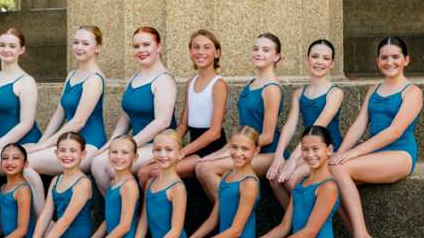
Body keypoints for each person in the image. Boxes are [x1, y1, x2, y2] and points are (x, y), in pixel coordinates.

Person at [330, 36, 422, 238]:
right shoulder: (374, 90)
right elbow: (359, 126)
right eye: (384, 57)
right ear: (377, 61)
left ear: (406, 60)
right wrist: (340, 153)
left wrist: (352, 155)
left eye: (395, 57)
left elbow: (395, 131)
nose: (389, 62)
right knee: (328, 176)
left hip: (400, 155)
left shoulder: (412, 92)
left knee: (339, 168)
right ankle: (361, 237)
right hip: (375, 155)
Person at [195, 34, 284, 202]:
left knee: (207, 169)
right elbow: (243, 131)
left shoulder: (272, 88)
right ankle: (228, 217)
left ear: (276, 56)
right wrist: (221, 152)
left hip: (266, 153)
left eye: (266, 50)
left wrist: (229, 152)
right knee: (201, 166)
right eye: (256, 49)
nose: (259, 53)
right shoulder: (253, 83)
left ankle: (235, 221)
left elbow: (267, 136)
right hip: (244, 147)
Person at [91, 27, 178, 194]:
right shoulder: (134, 78)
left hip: (159, 146)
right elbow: (127, 116)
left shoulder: (164, 80)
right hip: (138, 144)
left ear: (158, 47)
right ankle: (117, 213)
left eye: (146, 45)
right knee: (97, 163)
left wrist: (129, 145)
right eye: (136, 46)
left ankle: (131, 216)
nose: (141, 50)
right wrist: (113, 142)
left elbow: (163, 122)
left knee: (114, 166)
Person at [138, 29, 228, 187]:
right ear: (191, 52)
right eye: (196, 47)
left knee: (157, 172)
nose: (201, 52)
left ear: (217, 53)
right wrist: (164, 149)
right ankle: (145, 213)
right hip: (193, 145)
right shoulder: (190, 83)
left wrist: (183, 152)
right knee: (144, 171)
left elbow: (215, 132)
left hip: (211, 149)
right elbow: (183, 125)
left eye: (207, 47)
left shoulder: (219, 84)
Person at [267, 39, 343, 207]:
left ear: (332, 63)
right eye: (315, 57)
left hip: (328, 149)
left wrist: (293, 159)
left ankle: (310, 223)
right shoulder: (299, 94)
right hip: (308, 149)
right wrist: (279, 155)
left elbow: (317, 127)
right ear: (307, 59)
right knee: (275, 179)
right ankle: (294, 222)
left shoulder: (335, 93)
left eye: (325, 58)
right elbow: (289, 126)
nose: (319, 62)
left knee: (290, 178)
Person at [28, 26, 107, 174]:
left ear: (97, 48)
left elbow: (78, 122)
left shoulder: (94, 79)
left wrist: (46, 145)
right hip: (69, 142)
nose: (78, 47)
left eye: (85, 43)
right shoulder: (72, 75)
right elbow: (59, 113)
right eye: (76, 42)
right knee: (20, 156)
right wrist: (42, 143)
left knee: (25, 162)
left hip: (88, 144)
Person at [0, 28, 45, 210]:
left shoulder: (26, 81)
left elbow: (26, 124)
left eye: (12, 46)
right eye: (2, 45)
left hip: (26, 143)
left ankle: (42, 220)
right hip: (3, 146)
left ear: (21, 50)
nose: (6, 50)